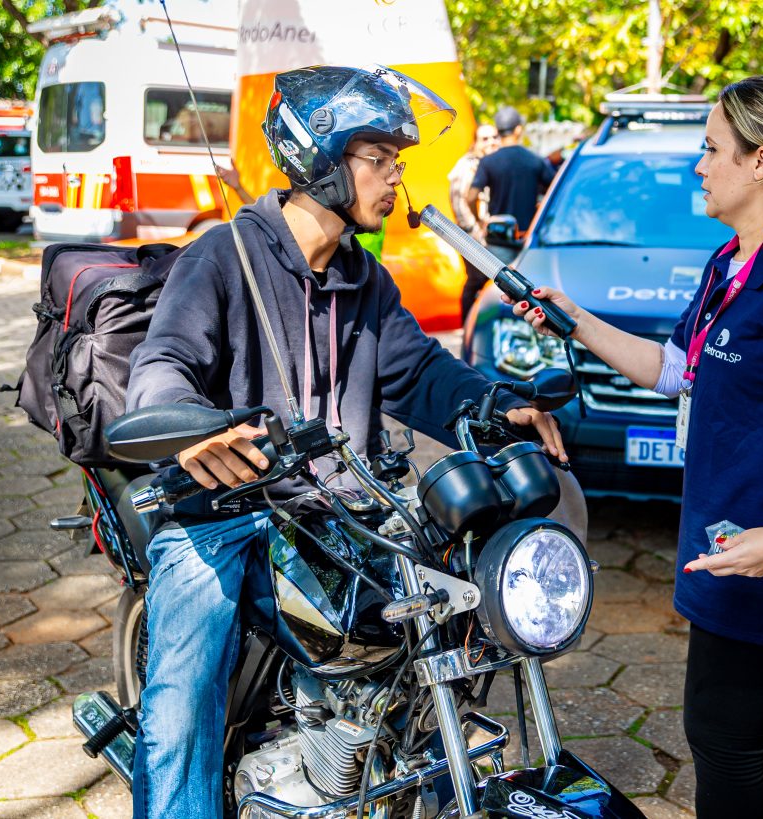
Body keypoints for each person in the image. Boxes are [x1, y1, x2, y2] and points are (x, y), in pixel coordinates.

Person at [125, 65, 569, 819]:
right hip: (225, 513)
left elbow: (419, 371)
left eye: (397, 160)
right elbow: (162, 366)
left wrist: (498, 405)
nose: (396, 177)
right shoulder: (223, 256)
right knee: (183, 698)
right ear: (320, 160)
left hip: (341, 514)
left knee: (444, 634)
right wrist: (193, 427)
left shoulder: (366, 278)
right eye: (379, 158)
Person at [508, 75, 763, 819]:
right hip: (735, 539)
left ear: (761, 161)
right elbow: (675, 368)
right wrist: (574, 319)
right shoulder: (733, 261)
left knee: (725, 737)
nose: (699, 166)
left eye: (712, 150)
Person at [466, 106, 554, 263]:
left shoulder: (488, 162)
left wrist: (479, 220)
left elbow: (471, 197)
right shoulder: (535, 160)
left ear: (498, 131)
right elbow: (555, 191)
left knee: (501, 278)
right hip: (527, 238)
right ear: (518, 130)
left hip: (498, 239)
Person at [448, 123, 499, 321]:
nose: (491, 142)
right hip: (470, 233)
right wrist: (473, 229)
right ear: (475, 143)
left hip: (478, 232)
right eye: (485, 139)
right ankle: (468, 326)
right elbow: (460, 200)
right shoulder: (469, 164)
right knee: (476, 279)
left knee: (481, 279)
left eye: (494, 137)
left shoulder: (486, 163)